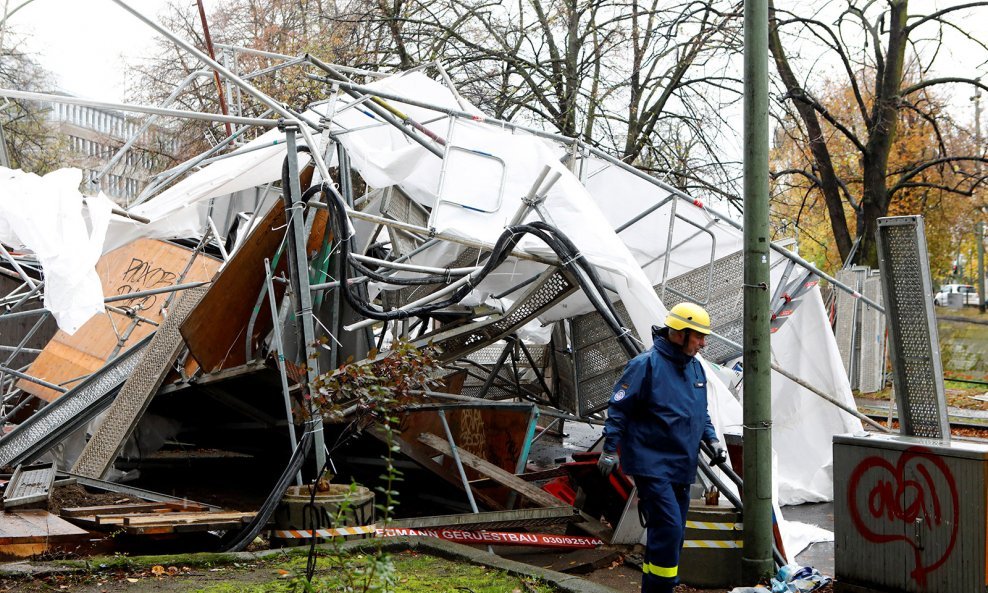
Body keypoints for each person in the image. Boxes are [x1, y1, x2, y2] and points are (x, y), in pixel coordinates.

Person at [597, 302, 726, 593]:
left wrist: (712, 440)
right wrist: (609, 449)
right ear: (679, 334)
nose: (704, 343)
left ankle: (655, 587)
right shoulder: (645, 365)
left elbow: (698, 412)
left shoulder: (695, 368)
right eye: (699, 337)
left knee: (673, 533)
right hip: (651, 464)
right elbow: (619, 409)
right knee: (668, 528)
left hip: (681, 464)